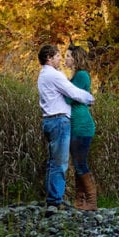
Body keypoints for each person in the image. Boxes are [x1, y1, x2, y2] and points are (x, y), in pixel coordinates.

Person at [37, 44, 94, 214]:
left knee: (55, 162)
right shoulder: (54, 75)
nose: (60, 59)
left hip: (49, 120)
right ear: (49, 58)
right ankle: (55, 200)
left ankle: (57, 199)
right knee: (60, 163)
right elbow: (73, 93)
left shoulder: (43, 75)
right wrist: (90, 98)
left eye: (65, 55)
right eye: (57, 56)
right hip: (59, 121)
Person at [65, 45, 97, 211]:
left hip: (81, 125)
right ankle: (80, 201)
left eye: (69, 56)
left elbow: (70, 99)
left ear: (76, 58)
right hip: (76, 124)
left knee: (80, 163)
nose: (66, 59)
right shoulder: (77, 75)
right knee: (77, 163)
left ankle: (91, 201)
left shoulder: (81, 76)